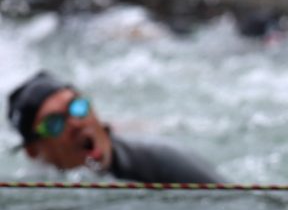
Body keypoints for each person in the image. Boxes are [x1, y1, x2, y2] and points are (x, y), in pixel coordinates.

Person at [7, 72, 224, 183]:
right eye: (54, 123)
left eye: (78, 107)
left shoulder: (162, 160)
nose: (75, 122)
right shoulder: (36, 187)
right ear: (34, 151)